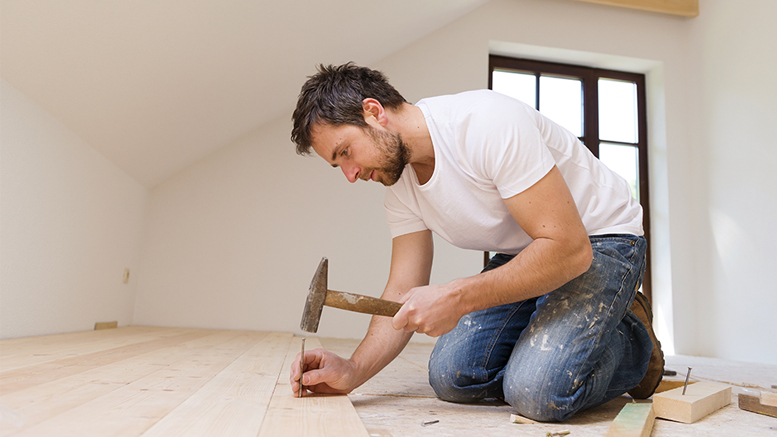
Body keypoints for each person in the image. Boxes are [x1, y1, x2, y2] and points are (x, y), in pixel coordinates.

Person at [288, 63, 664, 422]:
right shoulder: (399, 186)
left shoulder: (485, 124)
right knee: (452, 376)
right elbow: (402, 290)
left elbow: (569, 249)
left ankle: (632, 337)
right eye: (339, 166)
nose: (351, 175)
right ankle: (557, 330)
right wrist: (353, 371)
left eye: (345, 153)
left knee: (536, 391)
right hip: (529, 250)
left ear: (373, 112)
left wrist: (458, 296)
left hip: (598, 241)